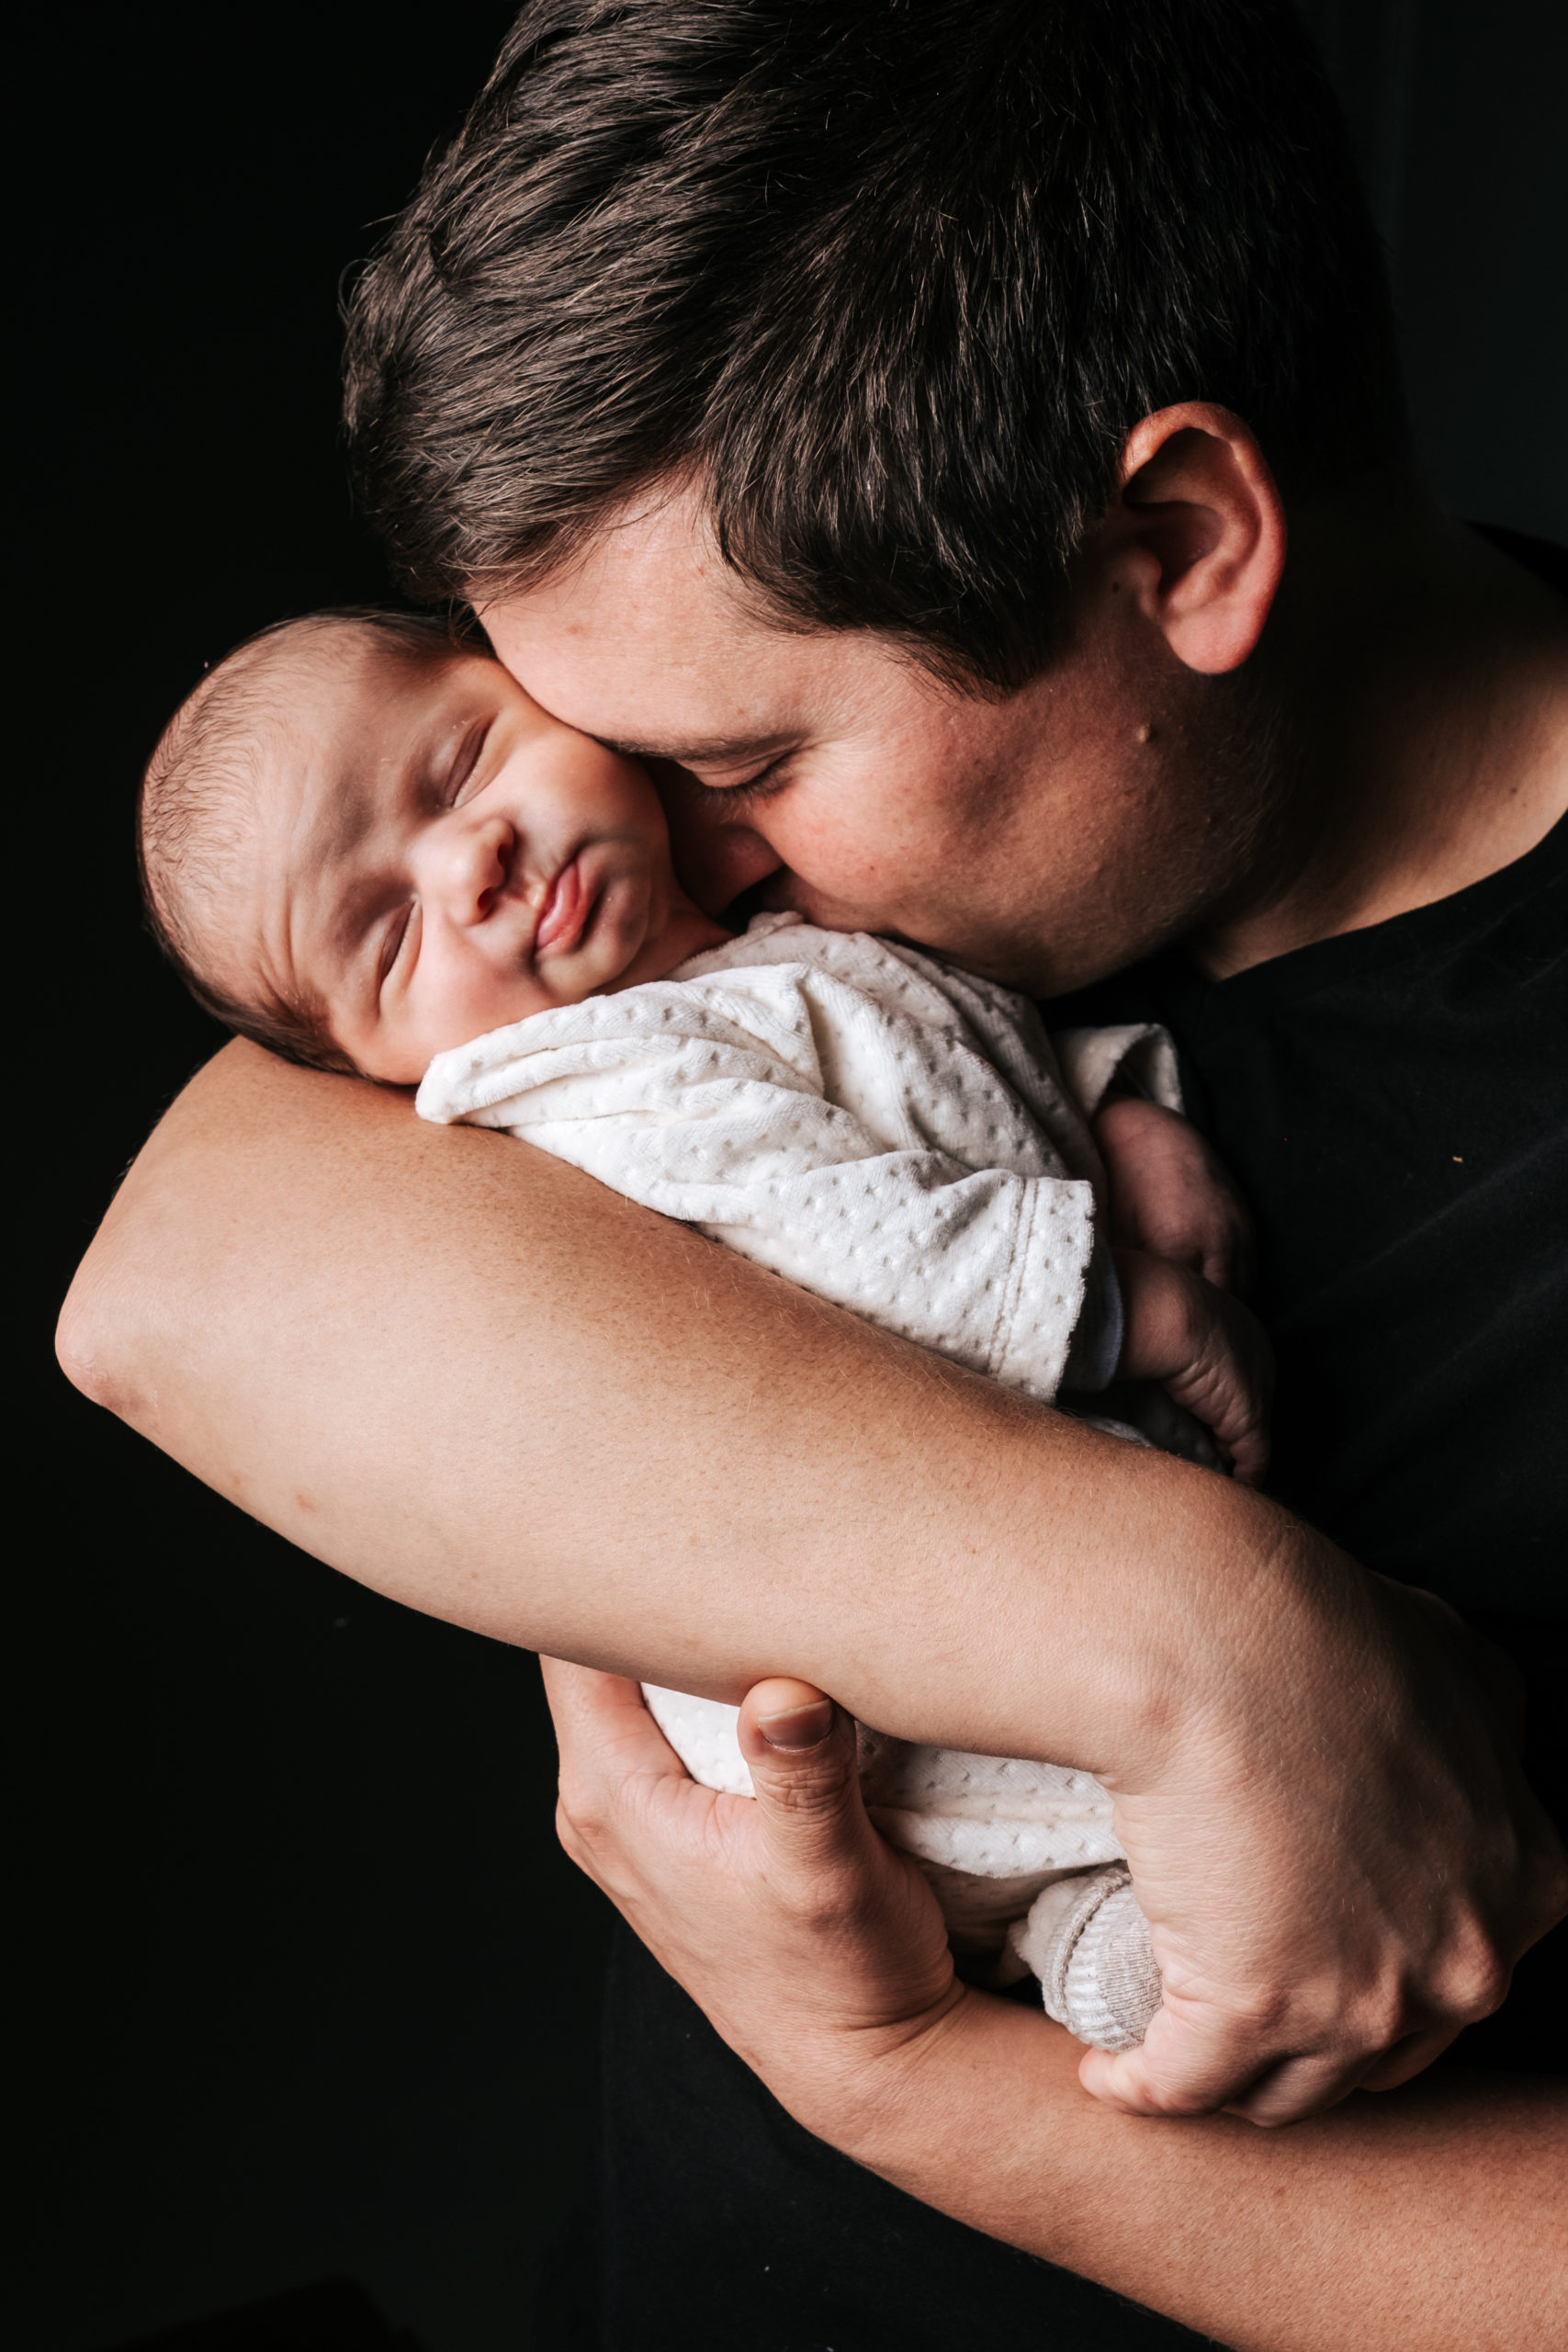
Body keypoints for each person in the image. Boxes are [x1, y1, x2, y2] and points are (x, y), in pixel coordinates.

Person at [57, 1, 1566, 2343]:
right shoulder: (719, 928)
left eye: (738, 754)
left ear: (1174, 544)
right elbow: (177, 1281)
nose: (640, 846)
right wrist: (1199, 1636)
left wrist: (903, 2074)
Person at [137, 605, 1275, 2046]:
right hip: (882, 1653)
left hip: (1050, 1528)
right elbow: (855, 1243)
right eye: (390, 930)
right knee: (1101, 1794)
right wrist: (1134, 1307)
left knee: (1147, 1801)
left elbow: (952, 1063)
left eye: (461, 764)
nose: (469, 861)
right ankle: (1140, 1952)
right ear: (371, 1069)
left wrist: (1113, 1106)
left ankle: (1099, 1943)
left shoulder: (763, 947)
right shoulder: (592, 1087)